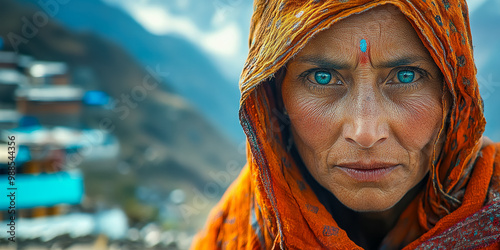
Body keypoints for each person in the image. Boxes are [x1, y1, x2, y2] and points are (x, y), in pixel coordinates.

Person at [191, 0, 500, 249]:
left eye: (406, 75)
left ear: (456, 94)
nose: (365, 133)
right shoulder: (243, 224)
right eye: (322, 77)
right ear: (273, 95)